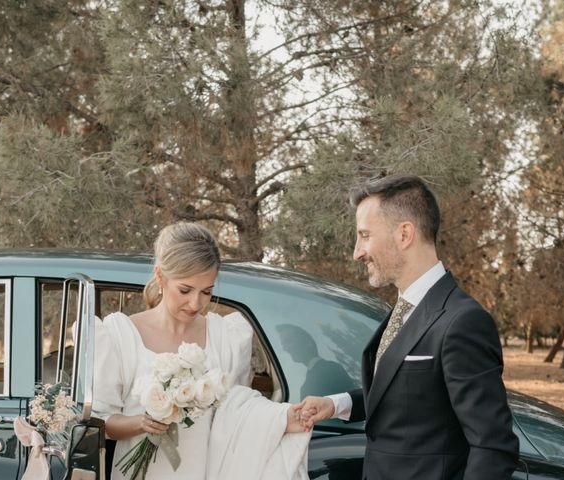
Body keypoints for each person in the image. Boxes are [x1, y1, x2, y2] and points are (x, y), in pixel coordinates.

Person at [300, 174, 519, 479]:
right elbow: (407, 394)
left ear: (404, 234)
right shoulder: (405, 310)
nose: (357, 252)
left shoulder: (463, 322)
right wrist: (336, 405)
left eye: (365, 235)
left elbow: (493, 447)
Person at [93, 222, 306, 480]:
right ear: (160, 277)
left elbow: (238, 412)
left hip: (208, 471)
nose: (196, 303)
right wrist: (142, 422)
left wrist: (282, 418)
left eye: (206, 292)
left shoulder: (226, 335)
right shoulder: (119, 334)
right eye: (185, 290)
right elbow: (103, 422)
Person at [277, 324, 355, 398]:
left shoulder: (327, 371)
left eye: (288, 341)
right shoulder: (327, 369)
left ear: (308, 343)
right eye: (283, 344)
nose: (285, 348)